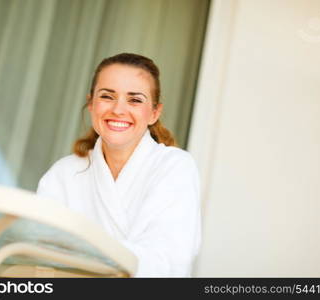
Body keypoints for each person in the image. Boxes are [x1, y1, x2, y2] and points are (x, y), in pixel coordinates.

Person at [37, 53, 201, 277]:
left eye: (135, 100)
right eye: (107, 96)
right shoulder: (64, 173)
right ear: (91, 104)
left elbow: (168, 262)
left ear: (154, 112)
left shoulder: (174, 167)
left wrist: (79, 252)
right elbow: (37, 253)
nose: (118, 110)